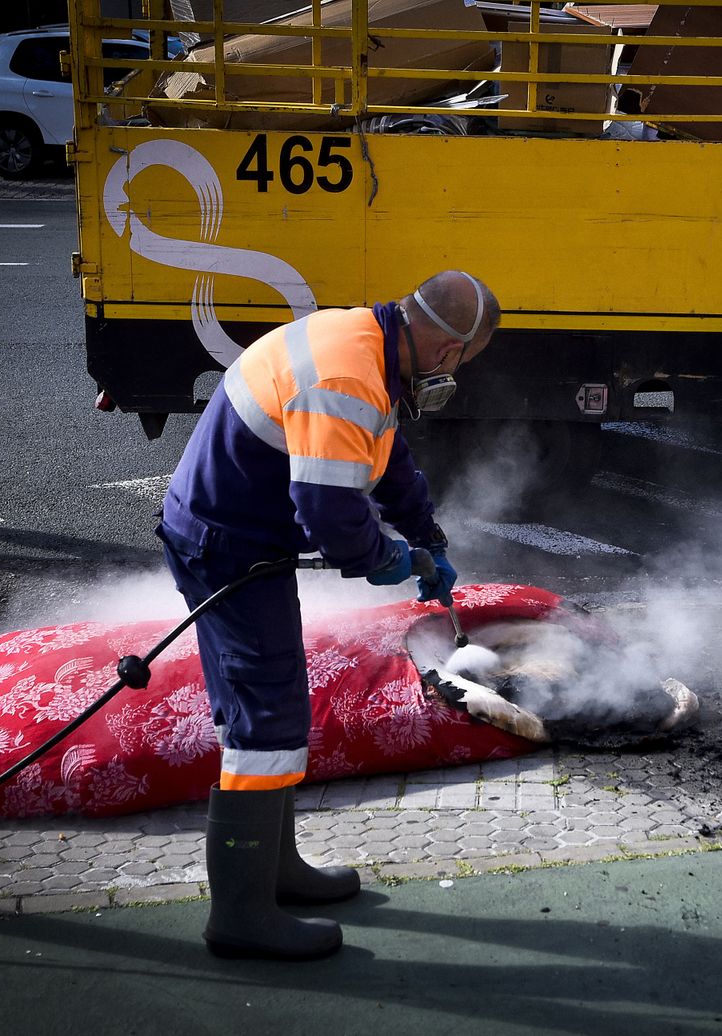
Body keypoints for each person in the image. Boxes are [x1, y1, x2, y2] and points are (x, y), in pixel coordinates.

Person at [159, 270, 498, 960]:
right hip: (227, 548)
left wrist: (425, 533)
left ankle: (274, 871)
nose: (453, 371)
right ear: (448, 349)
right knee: (267, 717)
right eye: (463, 360)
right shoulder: (348, 376)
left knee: (269, 707)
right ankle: (241, 913)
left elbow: (385, 455)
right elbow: (330, 514)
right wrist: (391, 560)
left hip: (236, 537)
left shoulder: (366, 342)